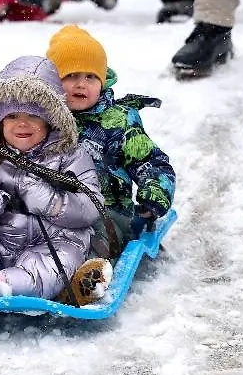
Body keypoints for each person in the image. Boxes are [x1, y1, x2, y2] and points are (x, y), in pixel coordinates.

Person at [0, 56, 115, 312]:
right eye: (12, 115)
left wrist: (48, 200)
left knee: (61, 258)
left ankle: (0, 286)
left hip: (51, 240)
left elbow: (90, 207)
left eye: (33, 116)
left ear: (50, 121)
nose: (22, 123)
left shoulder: (72, 156)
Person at [45, 24, 176, 249]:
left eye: (91, 77)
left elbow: (151, 163)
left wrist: (153, 192)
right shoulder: (41, 121)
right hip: (51, 209)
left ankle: (90, 273)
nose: (81, 84)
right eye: (71, 75)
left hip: (106, 213)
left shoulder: (118, 122)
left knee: (91, 238)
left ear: (103, 81)